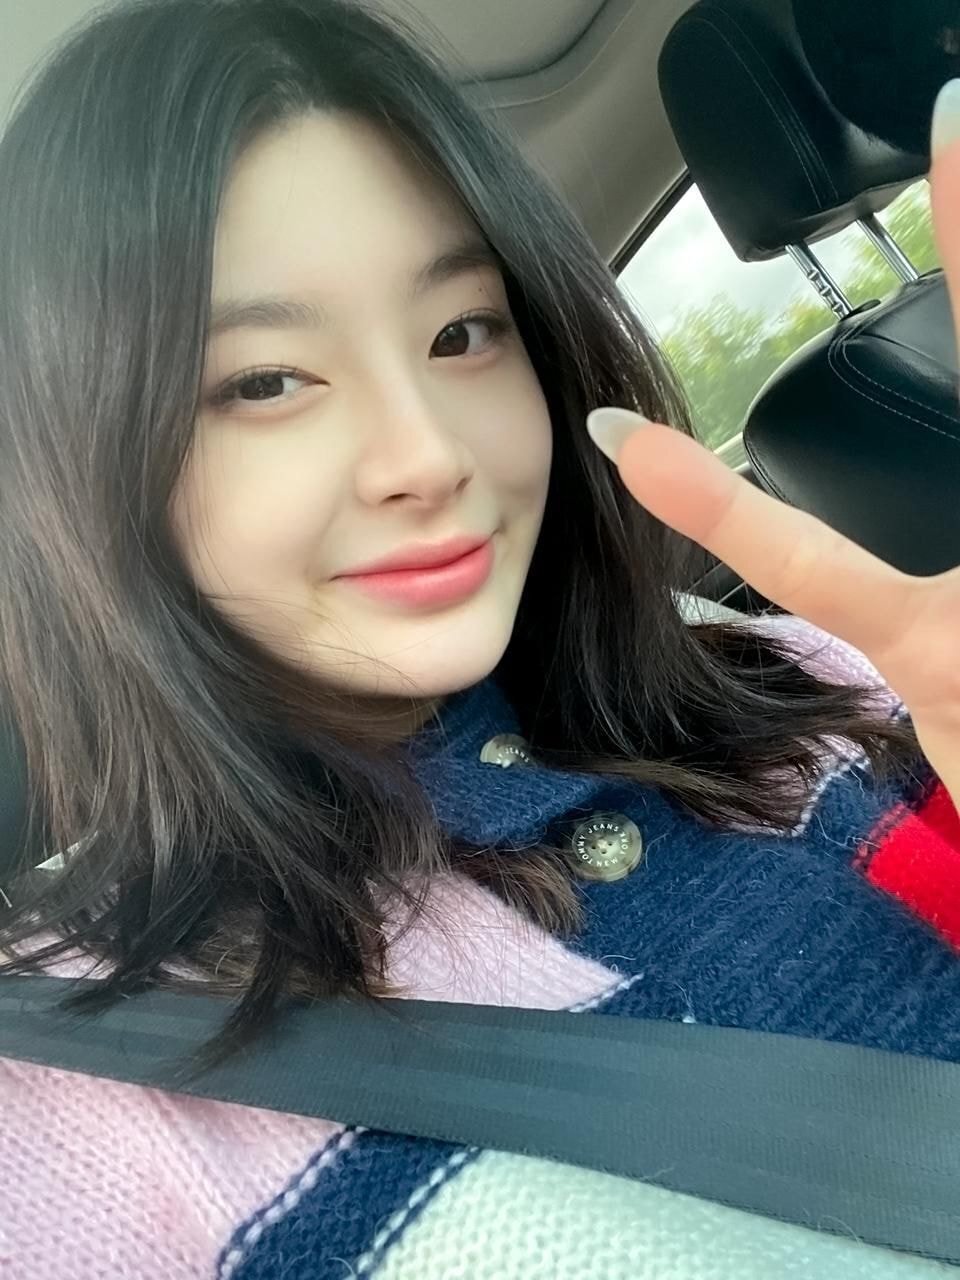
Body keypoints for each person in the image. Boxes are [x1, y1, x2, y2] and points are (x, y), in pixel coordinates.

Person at [2, 0, 960, 1275]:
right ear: (74, 461)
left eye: (461, 332)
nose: (429, 453)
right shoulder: (68, 1088)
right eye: (264, 381)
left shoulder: (790, 676)